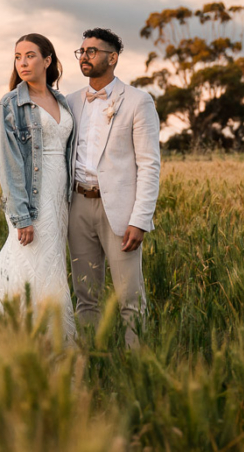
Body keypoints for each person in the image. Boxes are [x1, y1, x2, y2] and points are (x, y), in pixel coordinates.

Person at [0, 33, 77, 341]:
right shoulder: (11, 104)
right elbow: (8, 165)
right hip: (32, 202)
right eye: (17, 57)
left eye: (30, 55)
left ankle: (41, 344)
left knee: (50, 270)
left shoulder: (61, 101)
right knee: (26, 268)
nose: (22, 62)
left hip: (59, 201)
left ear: (47, 60)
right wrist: (21, 217)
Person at [66, 28, 160, 349]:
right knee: (85, 296)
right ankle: (90, 365)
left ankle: (138, 370)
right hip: (77, 205)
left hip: (119, 212)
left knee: (130, 299)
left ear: (113, 57)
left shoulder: (138, 101)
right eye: (81, 51)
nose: (85, 56)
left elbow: (149, 165)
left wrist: (140, 219)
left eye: (92, 51)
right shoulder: (70, 103)